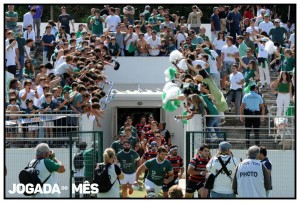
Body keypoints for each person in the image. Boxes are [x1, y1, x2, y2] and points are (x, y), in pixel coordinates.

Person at [240, 84, 265, 148]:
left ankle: (247, 146)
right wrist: (263, 116)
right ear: (255, 89)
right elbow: (262, 107)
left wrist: (241, 115)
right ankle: (257, 147)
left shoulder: (245, 96)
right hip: (256, 115)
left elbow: (242, 106)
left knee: (247, 131)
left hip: (248, 115)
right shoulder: (259, 96)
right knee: (256, 131)